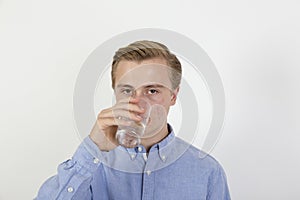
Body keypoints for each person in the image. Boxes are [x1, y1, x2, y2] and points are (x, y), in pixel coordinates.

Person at [36, 40, 231, 200]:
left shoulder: (207, 172)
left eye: (152, 90)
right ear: (115, 93)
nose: (138, 102)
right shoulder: (91, 166)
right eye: (127, 90)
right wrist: (92, 147)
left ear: (173, 95)